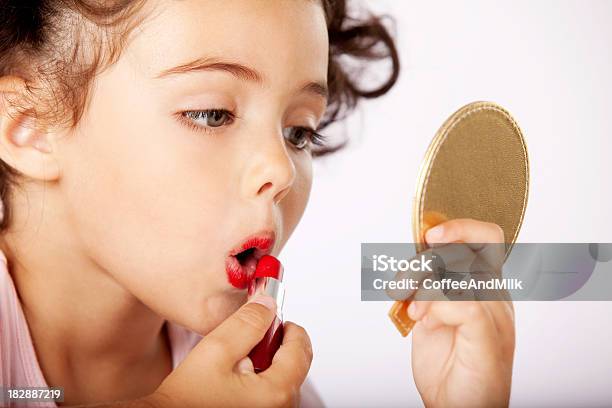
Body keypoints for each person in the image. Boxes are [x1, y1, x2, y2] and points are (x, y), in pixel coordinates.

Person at [0, 0, 514, 406]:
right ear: (30, 127)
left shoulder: (259, 383)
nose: (281, 169)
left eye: (298, 131)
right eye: (211, 114)